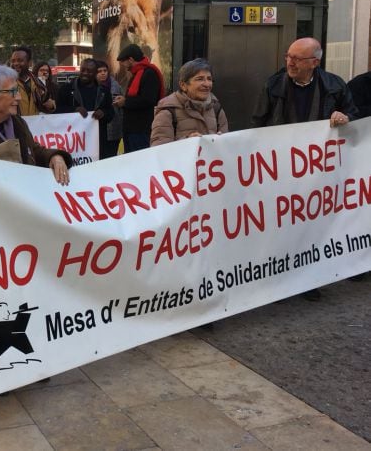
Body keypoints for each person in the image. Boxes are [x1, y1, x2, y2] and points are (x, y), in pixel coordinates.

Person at [251, 37, 358, 300]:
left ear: (315, 62)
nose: (290, 62)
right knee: (280, 224)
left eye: (297, 59)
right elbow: (258, 124)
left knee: (311, 226)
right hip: (281, 171)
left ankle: (306, 279)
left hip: (318, 172)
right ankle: (274, 275)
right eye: (288, 56)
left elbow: (354, 114)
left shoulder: (334, 86)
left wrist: (345, 118)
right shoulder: (273, 85)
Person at [151, 58, 229, 146]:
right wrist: (187, 142)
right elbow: (158, 150)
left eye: (209, 79)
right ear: (183, 85)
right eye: (200, 79)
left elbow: (226, 148)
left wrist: (223, 141)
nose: (207, 84)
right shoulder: (168, 111)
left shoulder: (216, 108)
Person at [56, 58, 115, 161]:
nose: (84, 73)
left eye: (89, 71)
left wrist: (104, 113)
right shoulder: (66, 89)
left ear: (95, 72)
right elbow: (57, 111)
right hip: (73, 142)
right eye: (82, 70)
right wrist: (73, 110)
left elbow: (111, 112)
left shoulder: (104, 91)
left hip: (97, 141)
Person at [114, 44, 166, 153]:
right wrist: (124, 99)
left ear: (131, 59)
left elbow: (148, 100)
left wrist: (125, 102)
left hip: (141, 129)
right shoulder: (137, 73)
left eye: (123, 62)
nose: (123, 65)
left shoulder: (149, 73)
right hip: (131, 128)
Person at [10, 46, 55, 115]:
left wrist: (51, 106)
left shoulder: (37, 83)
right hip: (16, 124)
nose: (15, 64)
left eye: (20, 60)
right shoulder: (6, 83)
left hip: (34, 124)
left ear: (30, 63)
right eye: (13, 61)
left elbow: (47, 104)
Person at [95, 59, 124, 157]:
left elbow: (122, 107)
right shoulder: (92, 88)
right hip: (97, 131)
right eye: (99, 71)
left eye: (105, 71)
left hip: (114, 129)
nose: (103, 73)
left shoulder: (116, 86)